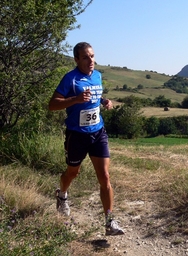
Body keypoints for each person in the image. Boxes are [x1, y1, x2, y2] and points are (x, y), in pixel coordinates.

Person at [48, 42, 124, 236]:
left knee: (105, 177)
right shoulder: (70, 79)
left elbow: (94, 96)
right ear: (76, 59)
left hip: (98, 132)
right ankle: (62, 195)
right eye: (85, 57)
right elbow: (52, 104)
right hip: (77, 135)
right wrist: (75, 99)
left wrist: (104, 101)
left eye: (92, 56)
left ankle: (109, 221)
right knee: (72, 173)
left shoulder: (97, 75)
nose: (91, 60)